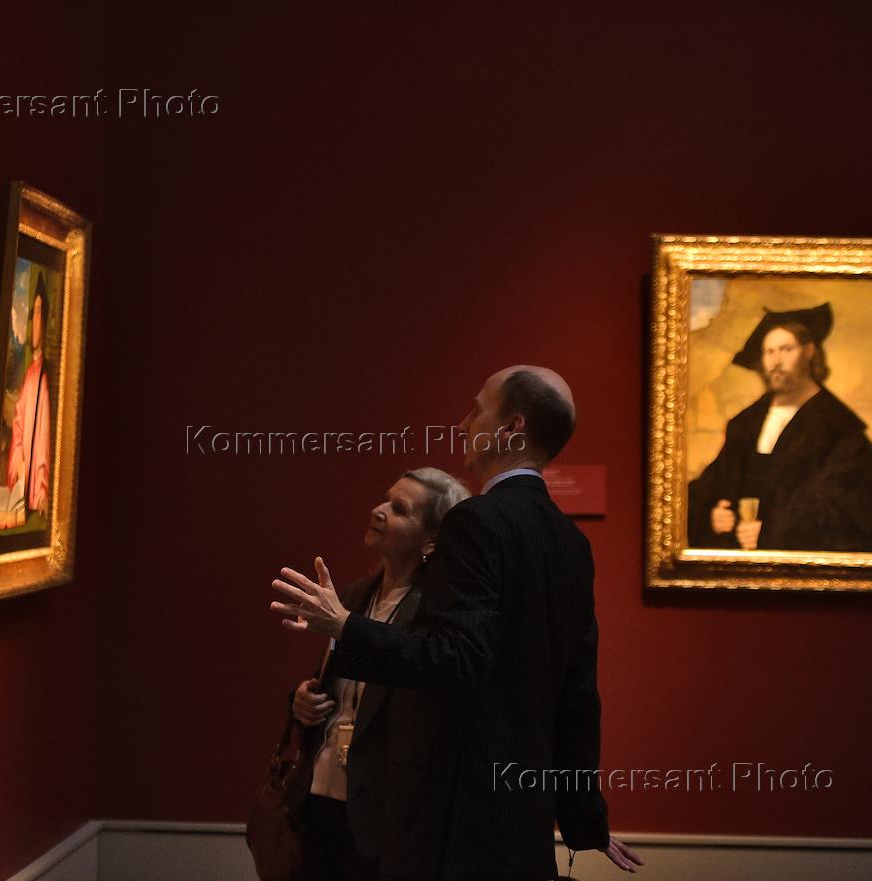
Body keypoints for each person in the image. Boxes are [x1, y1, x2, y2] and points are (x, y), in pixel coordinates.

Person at [272, 366, 642, 880]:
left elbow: (455, 656)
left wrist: (343, 626)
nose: (464, 423)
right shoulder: (571, 541)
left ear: (511, 427)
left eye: (477, 409)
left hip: (461, 819)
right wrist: (584, 818)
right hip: (522, 819)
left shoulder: (475, 520)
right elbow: (578, 694)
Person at [291, 467, 469, 881]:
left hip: (382, 814)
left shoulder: (434, 613)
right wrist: (301, 701)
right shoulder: (355, 595)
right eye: (386, 498)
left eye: (399, 508)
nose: (378, 510)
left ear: (431, 540)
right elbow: (337, 688)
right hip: (319, 796)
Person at [687, 303, 872, 552]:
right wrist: (712, 514)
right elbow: (711, 486)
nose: (775, 361)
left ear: (809, 351)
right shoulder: (745, 425)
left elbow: (859, 515)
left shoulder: (838, 430)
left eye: (786, 349)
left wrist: (773, 533)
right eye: (768, 352)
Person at [7, 274, 52, 518]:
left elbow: (43, 441)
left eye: (39, 313)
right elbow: (19, 424)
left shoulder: (43, 379)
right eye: (33, 314)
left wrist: (41, 489)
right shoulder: (30, 374)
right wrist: (19, 460)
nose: (35, 322)